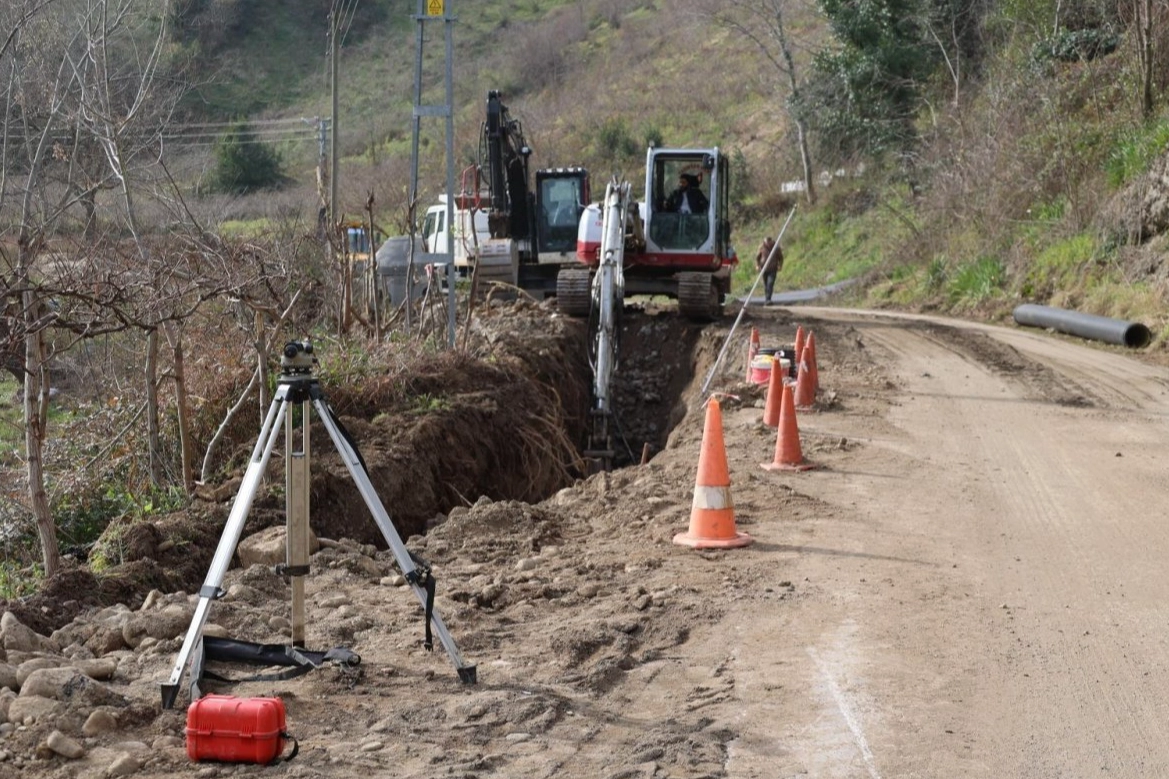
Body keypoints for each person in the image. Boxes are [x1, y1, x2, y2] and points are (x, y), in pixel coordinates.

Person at [755, 235, 784, 305]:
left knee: (770, 284)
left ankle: (768, 299)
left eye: (768, 242)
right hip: (764, 269)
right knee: (766, 285)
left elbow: (781, 258)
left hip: (773, 269)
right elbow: (757, 258)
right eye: (765, 242)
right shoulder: (761, 248)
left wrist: (780, 265)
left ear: (771, 241)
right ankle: (767, 299)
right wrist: (757, 265)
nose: (767, 243)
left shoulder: (776, 248)